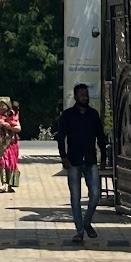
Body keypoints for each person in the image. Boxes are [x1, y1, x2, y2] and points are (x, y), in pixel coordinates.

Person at [57, 83, 108, 240]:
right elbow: (60, 137)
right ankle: (79, 231)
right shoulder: (67, 115)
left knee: (95, 194)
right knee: (75, 197)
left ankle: (87, 222)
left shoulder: (93, 115)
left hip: (90, 159)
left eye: (86, 94)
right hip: (73, 161)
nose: (84, 97)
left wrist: (104, 157)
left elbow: (101, 137)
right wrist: (63, 157)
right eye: (81, 94)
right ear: (75, 96)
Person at [0, 98, 21, 193]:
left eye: (3, 105)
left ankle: (10, 184)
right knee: (3, 162)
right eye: (0, 105)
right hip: (1, 143)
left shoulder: (12, 116)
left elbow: (18, 128)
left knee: (11, 163)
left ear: (8, 106)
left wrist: (8, 126)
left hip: (11, 143)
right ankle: (4, 184)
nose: (1, 107)